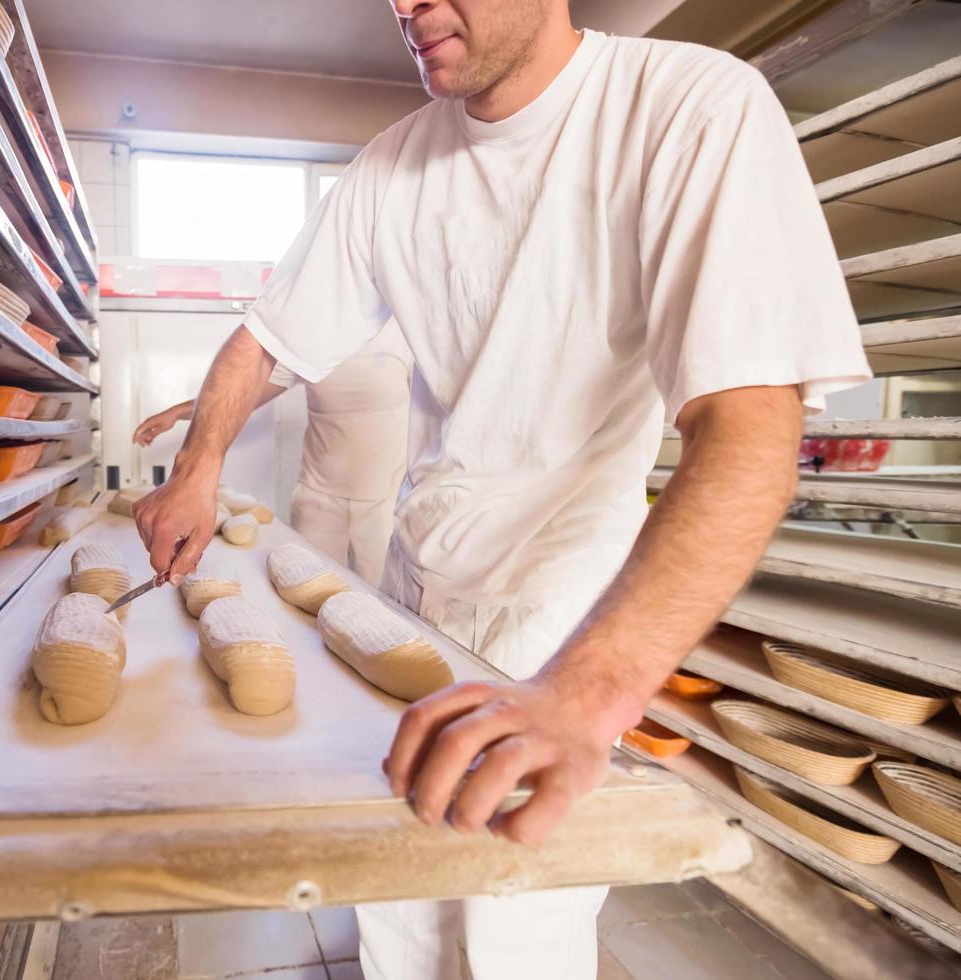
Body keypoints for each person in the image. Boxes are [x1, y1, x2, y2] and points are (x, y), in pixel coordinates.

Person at [133, 0, 871, 976]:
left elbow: (748, 431)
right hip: (417, 580)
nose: (405, 4)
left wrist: (585, 693)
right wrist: (193, 474)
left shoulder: (680, 107)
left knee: (509, 914)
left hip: (563, 605)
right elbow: (263, 341)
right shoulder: (391, 166)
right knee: (401, 889)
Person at [133, 321, 413, 585]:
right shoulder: (318, 338)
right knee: (304, 593)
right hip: (317, 499)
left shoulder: (404, 336)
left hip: (382, 503)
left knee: (381, 603)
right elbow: (247, 392)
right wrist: (176, 413)